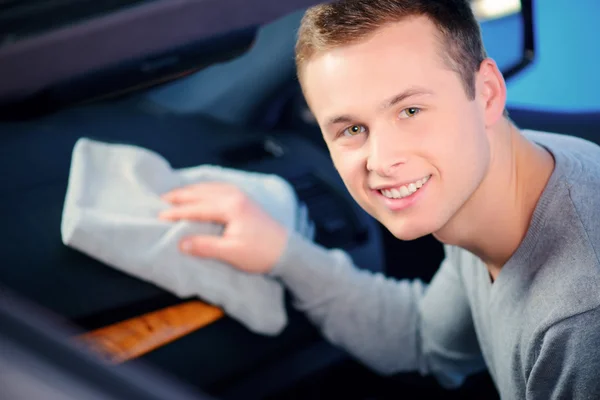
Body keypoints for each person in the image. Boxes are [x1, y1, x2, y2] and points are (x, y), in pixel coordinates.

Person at [158, 0, 600, 398]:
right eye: (352, 129)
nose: (382, 160)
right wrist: (283, 255)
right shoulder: (495, 178)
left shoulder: (580, 320)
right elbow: (424, 338)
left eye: (410, 111)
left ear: (486, 93)